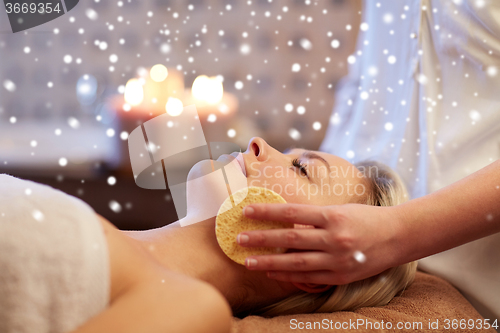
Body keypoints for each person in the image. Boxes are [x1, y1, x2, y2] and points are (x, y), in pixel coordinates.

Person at [236, 0, 500, 322]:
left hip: (467, 286)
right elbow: (368, 85)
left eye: (301, 167)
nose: (256, 146)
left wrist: (397, 232)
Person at [1, 137, 417, 332]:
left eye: (302, 169)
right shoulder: (102, 231)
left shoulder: (190, 306)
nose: (259, 143)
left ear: (315, 261)